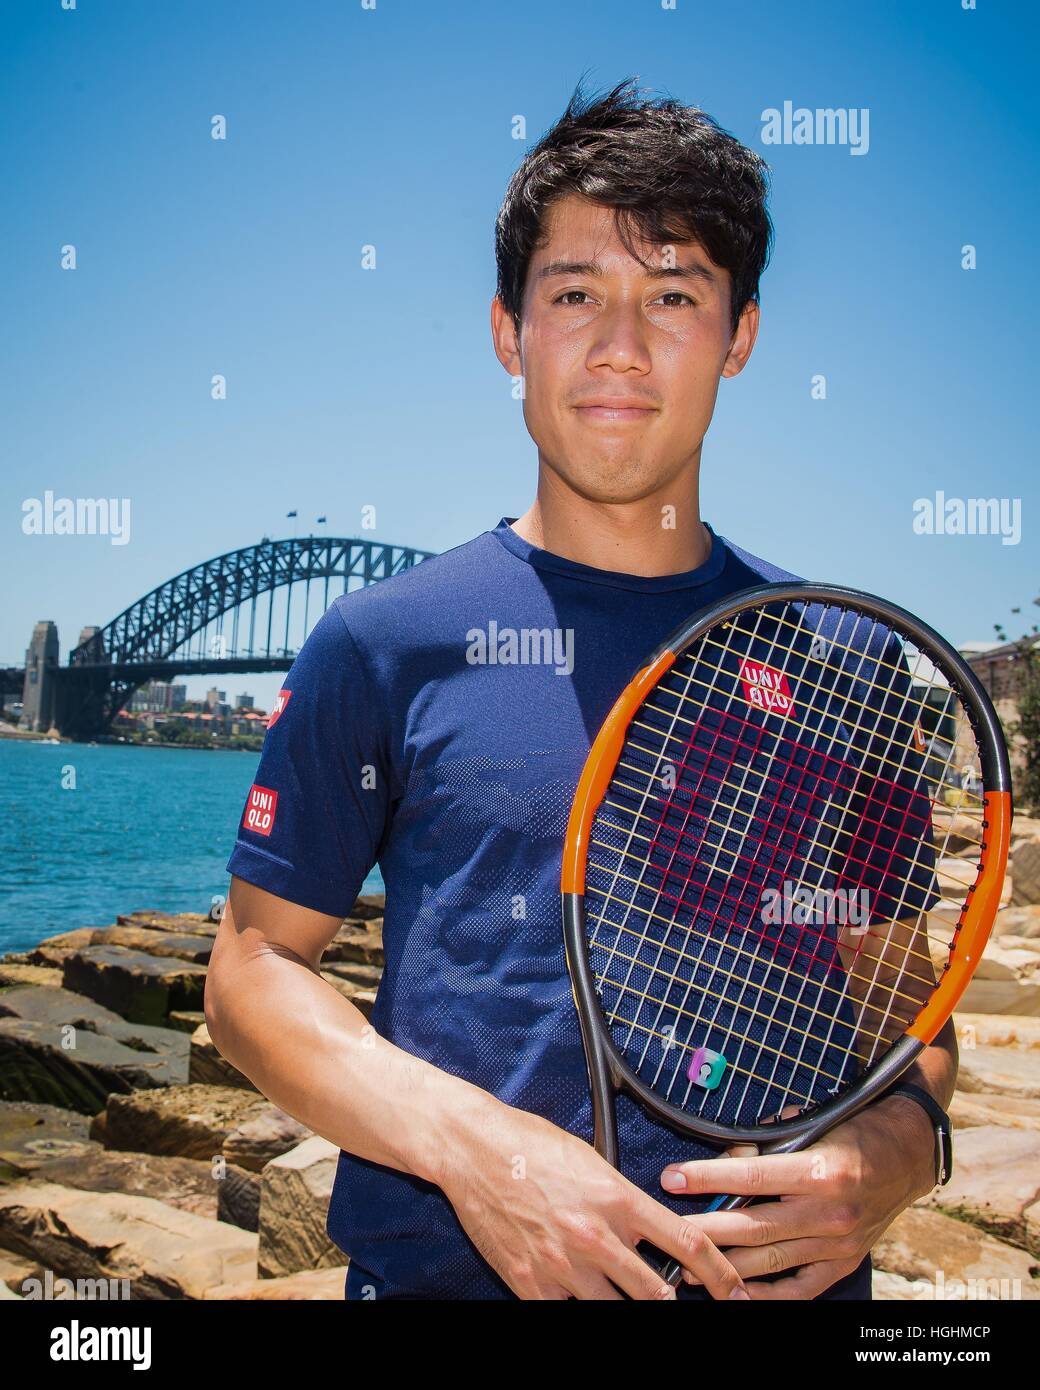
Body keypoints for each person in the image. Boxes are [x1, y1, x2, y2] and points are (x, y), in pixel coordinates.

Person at [206, 79, 954, 1301]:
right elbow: (250, 973)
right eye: (572, 297)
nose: (619, 345)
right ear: (509, 333)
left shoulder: (841, 656)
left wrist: (898, 1148)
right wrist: (475, 1152)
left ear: (740, 334)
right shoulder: (382, 641)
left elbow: (896, 1004)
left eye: (671, 296)